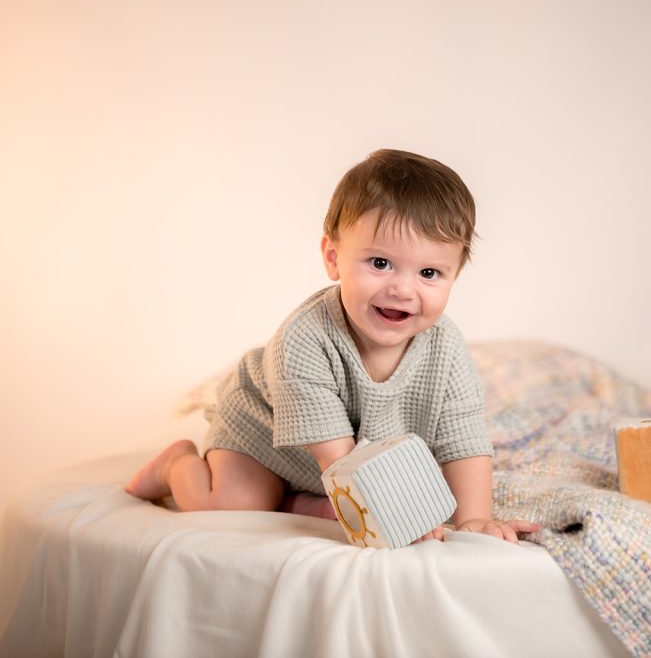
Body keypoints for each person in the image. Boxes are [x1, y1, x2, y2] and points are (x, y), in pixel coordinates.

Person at [126, 149, 540, 543]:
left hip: (340, 464)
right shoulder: (305, 340)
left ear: (455, 276)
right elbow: (341, 460)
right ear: (332, 256)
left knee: (386, 497)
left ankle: (295, 503)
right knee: (232, 504)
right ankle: (176, 464)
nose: (401, 289)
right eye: (380, 263)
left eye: (429, 272)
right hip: (265, 440)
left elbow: (462, 441)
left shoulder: (445, 347)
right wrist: (397, 518)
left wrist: (474, 520)